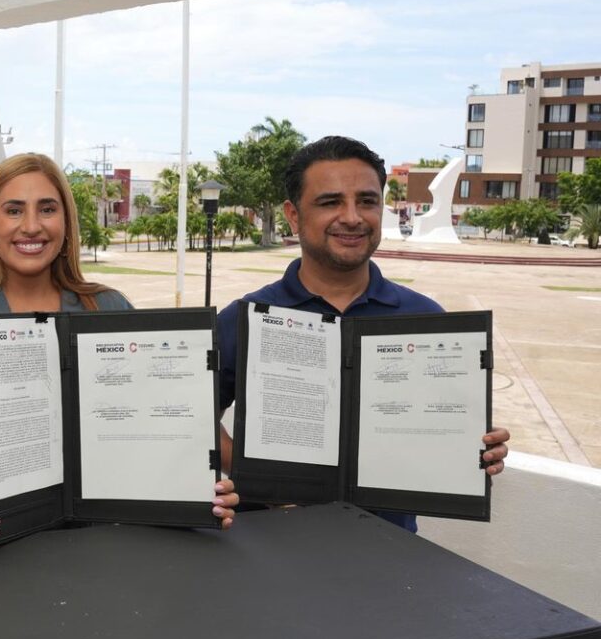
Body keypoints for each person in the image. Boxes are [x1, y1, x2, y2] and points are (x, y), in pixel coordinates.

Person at [0, 153, 239, 557]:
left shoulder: (108, 307)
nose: (31, 225)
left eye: (47, 209)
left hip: (110, 542)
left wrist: (193, 485)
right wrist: (7, 507)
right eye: (14, 210)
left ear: (66, 221)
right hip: (2, 540)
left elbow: (164, 414)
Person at [215, 135, 510, 531]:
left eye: (367, 201)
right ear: (293, 215)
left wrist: (476, 448)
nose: (352, 217)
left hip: (388, 549)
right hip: (271, 543)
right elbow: (194, 414)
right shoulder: (246, 317)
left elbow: (444, 423)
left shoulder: (424, 318)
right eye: (330, 202)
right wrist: (256, 473)